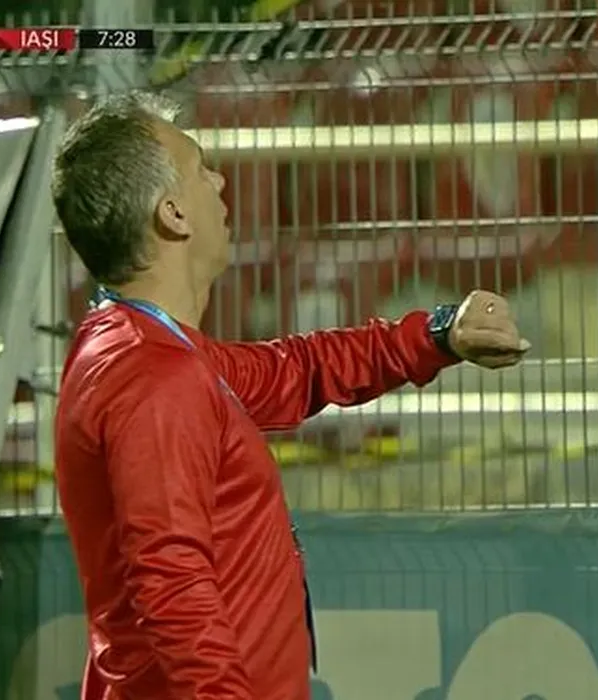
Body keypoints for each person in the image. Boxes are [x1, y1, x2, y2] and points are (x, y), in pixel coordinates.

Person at [51, 91, 531, 700]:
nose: (220, 182)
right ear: (173, 214)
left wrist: (438, 335)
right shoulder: (154, 378)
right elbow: (173, 589)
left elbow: (295, 370)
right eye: (200, 170)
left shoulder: (145, 349)